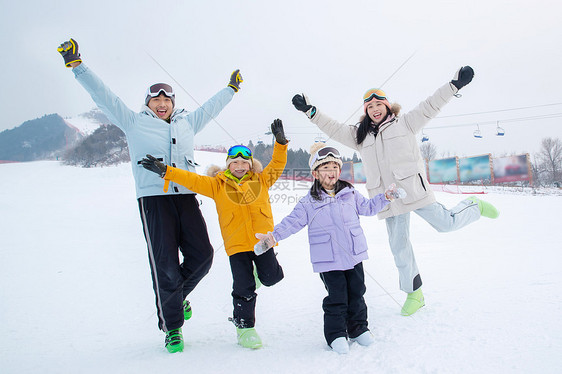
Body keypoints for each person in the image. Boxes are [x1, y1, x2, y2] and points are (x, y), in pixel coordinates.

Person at [57, 38, 244, 353]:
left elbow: (211, 108)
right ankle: (172, 326)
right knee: (166, 265)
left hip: (186, 196)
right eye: (155, 99)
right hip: (153, 201)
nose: (161, 103)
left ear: (173, 103)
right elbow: (104, 96)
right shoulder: (133, 122)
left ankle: (175, 298)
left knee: (204, 256)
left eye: (166, 99)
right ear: (148, 103)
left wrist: (231, 89)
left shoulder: (186, 123)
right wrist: (77, 65)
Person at [291, 66, 499, 317]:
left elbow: (431, 105)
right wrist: (310, 111)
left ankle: (474, 206)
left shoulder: (406, 123)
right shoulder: (359, 137)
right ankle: (415, 293)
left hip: (412, 190)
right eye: (369, 107)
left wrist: (454, 85)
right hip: (387, 199)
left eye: (379, 104)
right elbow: (333, 128)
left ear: (388, 106)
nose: (374, 109)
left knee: (446, 224)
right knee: (399, 246)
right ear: (365, 112)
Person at [140, 119, 289, 349]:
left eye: (244, 162)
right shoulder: (217, 185)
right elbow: (191, 179)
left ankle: (260, 274)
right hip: (236, 246)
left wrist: (280, 142)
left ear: (251, 165)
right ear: (228, 165)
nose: (239, 166)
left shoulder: (261, 180)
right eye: (234, 162)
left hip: (263, 242)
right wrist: (166, 172)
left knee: (272, 277)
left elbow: (278, 164)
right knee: (243, 287)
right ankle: (244, 327)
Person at [253, 143, 406, 354]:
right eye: (325, 168)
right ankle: (336, 335)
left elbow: (369, 208)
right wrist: (273, 237)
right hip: (328, 259)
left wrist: (386, 197)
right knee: (337, 297)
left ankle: (358, 329)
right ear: (315, 173)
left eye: (334, 167)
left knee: (357, 292)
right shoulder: (308, 202)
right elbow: (292, 222)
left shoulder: (350, 193)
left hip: (353, 255)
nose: (331, 172)